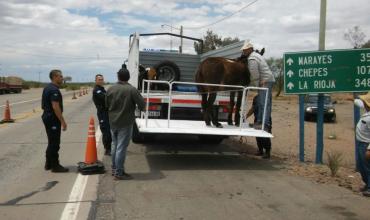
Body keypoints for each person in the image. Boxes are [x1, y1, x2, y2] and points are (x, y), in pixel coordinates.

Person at [105, 66, 145, 180]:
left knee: (114, 145)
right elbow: (142, 105)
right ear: (128, 77)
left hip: (113, 122)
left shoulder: (110, 89)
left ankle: (114, 169)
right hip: (125, 123)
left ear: (118, 77)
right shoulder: (131, 89)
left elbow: (106, 105)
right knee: (121, 148)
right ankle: (119, 172)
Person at [241, 40, 275, 130]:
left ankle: (265, 124)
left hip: (265, 81)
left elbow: (254, 74)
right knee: (262, 102)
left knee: (264, 103)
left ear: (250, 49)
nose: (243, 51)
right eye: (243, 50)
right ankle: (259, 122)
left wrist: (255, 85)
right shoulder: (257, 55)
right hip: (267, 80)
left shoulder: (252, 58)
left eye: (245, 50)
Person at [41, 69, 68, 172]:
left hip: (47, 117)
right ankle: (55, 166)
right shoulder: (53, 90)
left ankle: (48, 164)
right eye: (60, 76)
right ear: (55, 77)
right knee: (55, 143)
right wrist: (62, 121)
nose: (62, 78)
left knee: (51, 141)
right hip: (52, 118)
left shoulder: (48, 87)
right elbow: (55, 107)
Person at [354, 92, 370, 197]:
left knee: (367, 167)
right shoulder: (367, 111)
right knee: (361, 166)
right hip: (360, 144)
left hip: (366, 145)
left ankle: (369, 187)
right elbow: (357, 102)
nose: (363, 103)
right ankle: (367, 183)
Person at [246, 95, 272, 159]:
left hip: (265, 119)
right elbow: (253, 108)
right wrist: (246, 116)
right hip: (257, 119)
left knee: (265, 136)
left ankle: (267, 152)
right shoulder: (256, 97)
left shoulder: (267, 96)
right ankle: (260, 150)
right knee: (258, 136)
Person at [93, 74, 112, 156]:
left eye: (102, 79)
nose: (101, 81)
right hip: (102, 113)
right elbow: (105, 98)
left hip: (106, 113)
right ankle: (107, 149)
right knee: (106, 131)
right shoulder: (97, 90)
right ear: (96, 81)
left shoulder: (102, 89)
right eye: (99, 79)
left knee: (109, 130)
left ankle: (109, 148)